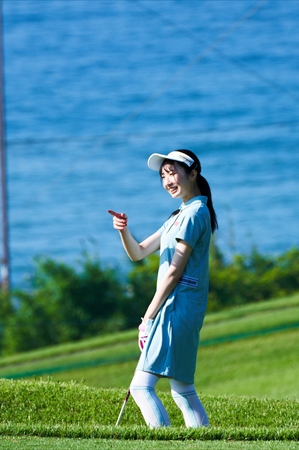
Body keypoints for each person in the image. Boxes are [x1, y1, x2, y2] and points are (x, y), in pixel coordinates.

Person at [107, 149, 217, 428]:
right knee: (182, 390)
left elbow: (174, 272)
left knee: (142, 388)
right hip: (181, 307)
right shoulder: (179, 215)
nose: (168, 180)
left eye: (173, 173)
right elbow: (139, 252)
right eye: (163, 175)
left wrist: (148, 315)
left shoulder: (193, 214)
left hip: (176, 307)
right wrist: (123, 230)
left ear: (193, 174)